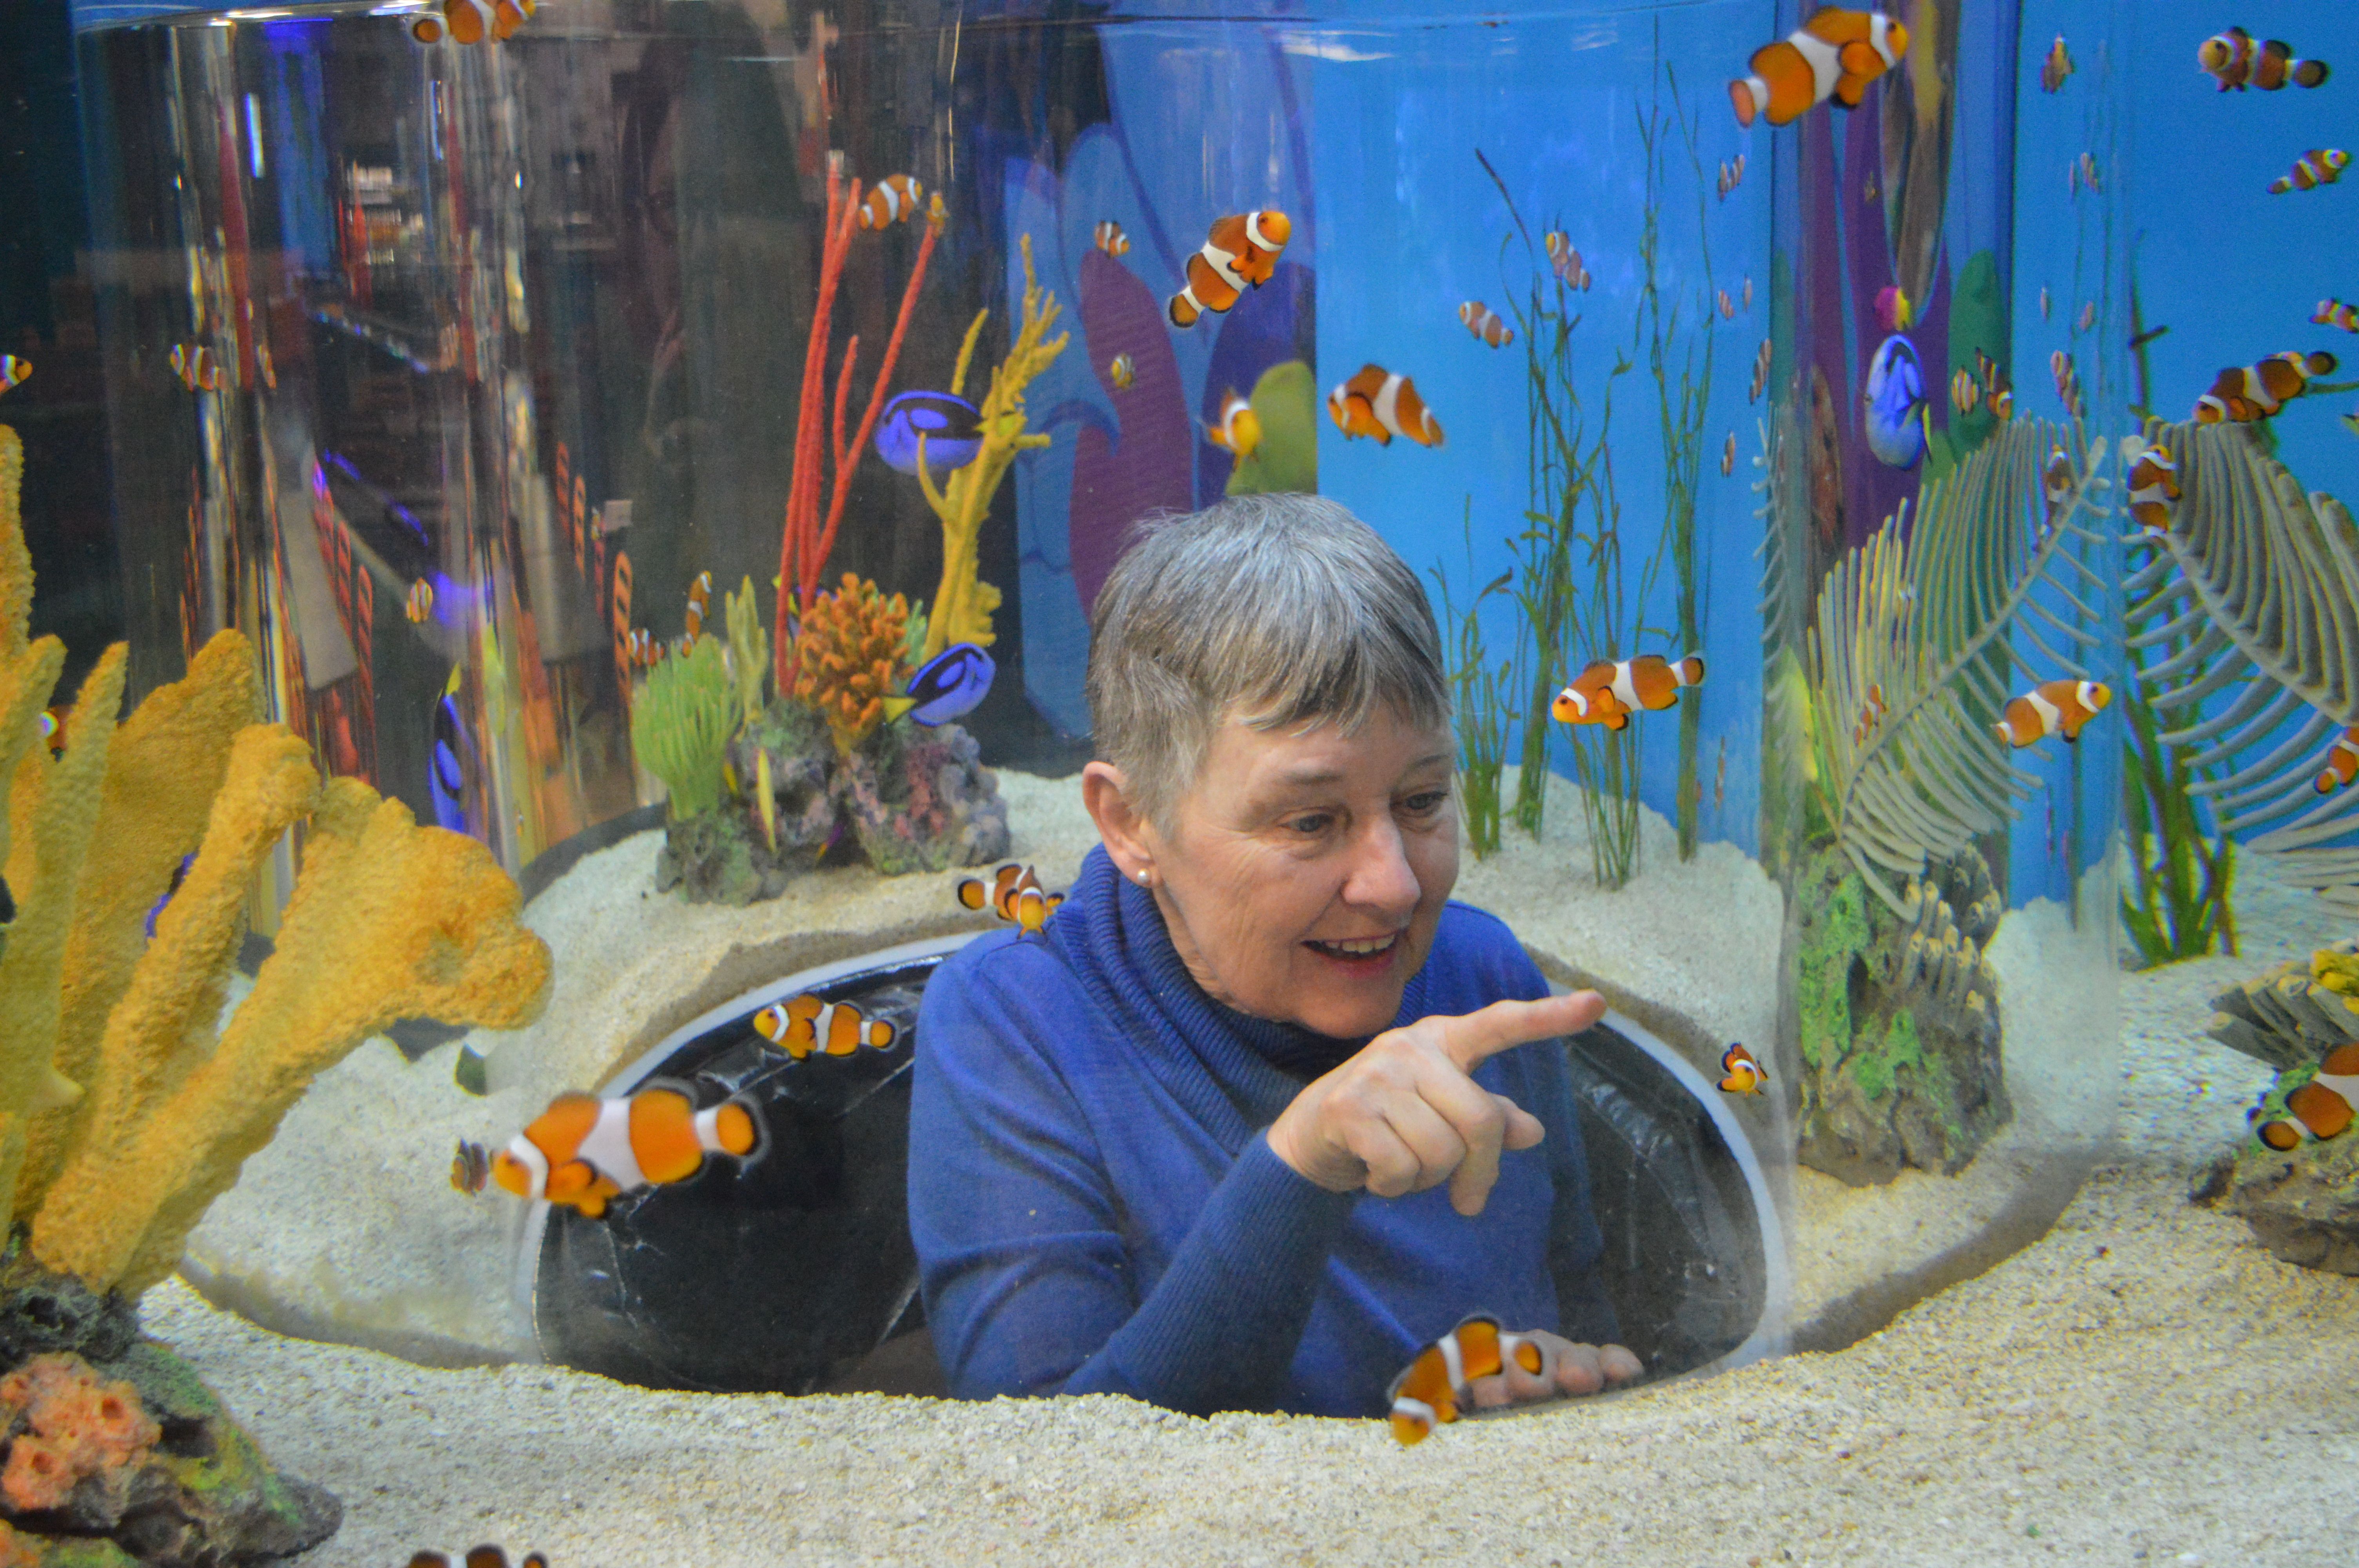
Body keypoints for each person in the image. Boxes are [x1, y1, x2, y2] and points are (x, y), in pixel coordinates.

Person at [909, 493, 1643, 1420]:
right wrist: (1301, 1159)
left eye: (1420, 801)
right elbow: (1044, 1478)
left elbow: (1590, 1311)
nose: (1394, 885)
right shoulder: (1012, 1024)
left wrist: (1562, 1387)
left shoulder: (1485, 977)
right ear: (1131, 821)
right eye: (1310, 820)